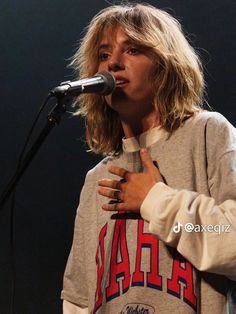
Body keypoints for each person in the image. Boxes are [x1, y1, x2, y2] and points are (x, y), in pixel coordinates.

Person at [61, 3, 236, 314]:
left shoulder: (208, 133)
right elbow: (78, 300)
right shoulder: (95, 180)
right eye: (103, 55)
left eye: (132, 49)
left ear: (165, 65)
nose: (113, 63)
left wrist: (157, 201)